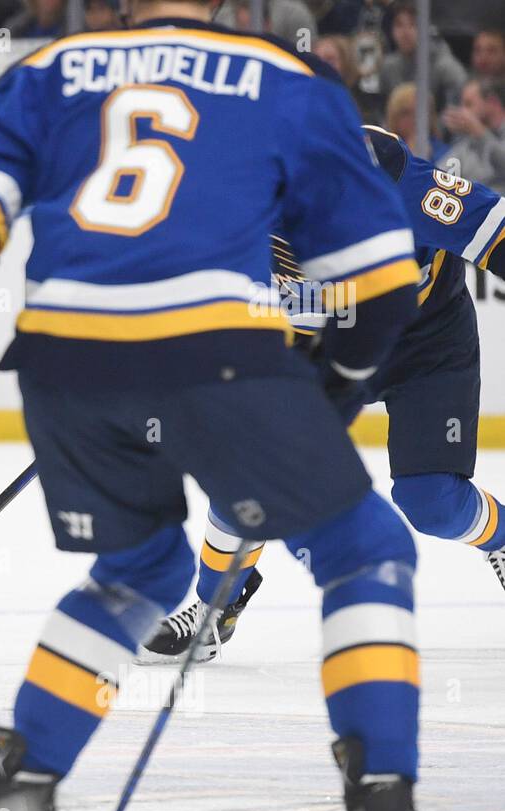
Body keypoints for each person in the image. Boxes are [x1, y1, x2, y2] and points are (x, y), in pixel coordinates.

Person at [0, 0, 495, 811]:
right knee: (365, 549)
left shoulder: (52, 69)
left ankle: (20, 804)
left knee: (139, 570)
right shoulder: (285, 76)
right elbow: (381, 281)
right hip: (211, 354)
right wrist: (339, 385)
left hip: (59, 356)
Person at [147, 126, 505, 666]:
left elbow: (496, 231)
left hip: (425, 345)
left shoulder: (401, 183)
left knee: (430, 502)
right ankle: (214, 606)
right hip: (325, 346)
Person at [378, 0, 467, 112]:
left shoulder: (446, 67)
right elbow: (383, 115)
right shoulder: (388, 67)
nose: (405, 32)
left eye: (413, 24)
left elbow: (455, 115)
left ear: (427, 28)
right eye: (399, 25)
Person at [443, 78, 505, 193]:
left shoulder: (479, 133)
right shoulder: (470, 140)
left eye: (469, 104)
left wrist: (480, 133)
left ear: (492, 102)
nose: (463, 111)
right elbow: (443, 171)